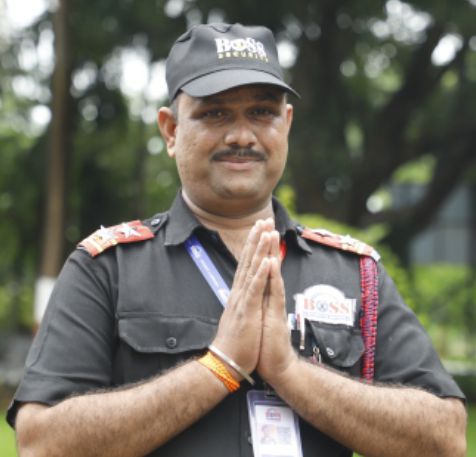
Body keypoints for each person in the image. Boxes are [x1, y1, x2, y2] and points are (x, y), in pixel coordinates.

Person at [7, 23, 466, 457]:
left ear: (286, 123)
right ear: (171, 130)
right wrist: (219, 366)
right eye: (214, 113)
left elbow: (444, 438)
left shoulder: (354, 273)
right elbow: (43, 443)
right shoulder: (107, 268)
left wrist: (290, 372)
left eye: (262, 112)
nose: (242, 135)